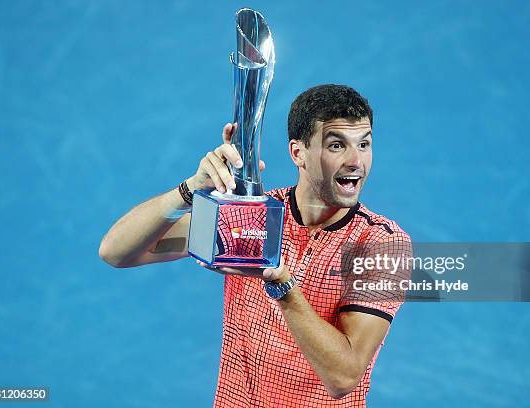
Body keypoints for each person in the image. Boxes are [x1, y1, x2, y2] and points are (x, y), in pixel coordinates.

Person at [99, 84, 412, 407]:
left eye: (364, 144)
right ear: (297, 153)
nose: (355, 161)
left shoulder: (382, 245)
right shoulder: (251, 217)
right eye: (336, 145)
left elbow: (343, 377)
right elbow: (117, 251)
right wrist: (191, 190)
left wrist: (283, 288)